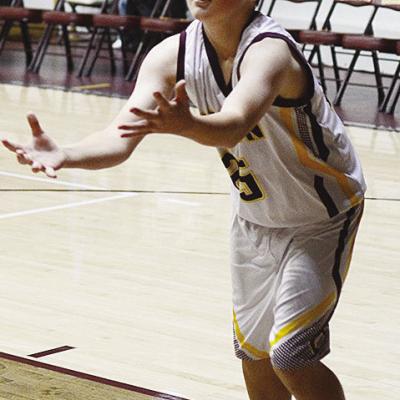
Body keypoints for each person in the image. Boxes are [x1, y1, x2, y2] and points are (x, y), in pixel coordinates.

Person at [1, 1, 366, 399]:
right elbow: (119, 139)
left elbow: (232, 125)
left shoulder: (269, 51)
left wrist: (189, 124)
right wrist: (65, 154)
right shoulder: (170, 55)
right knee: (253, 352)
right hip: (254, 218)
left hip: (320, 215)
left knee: (291, 355)